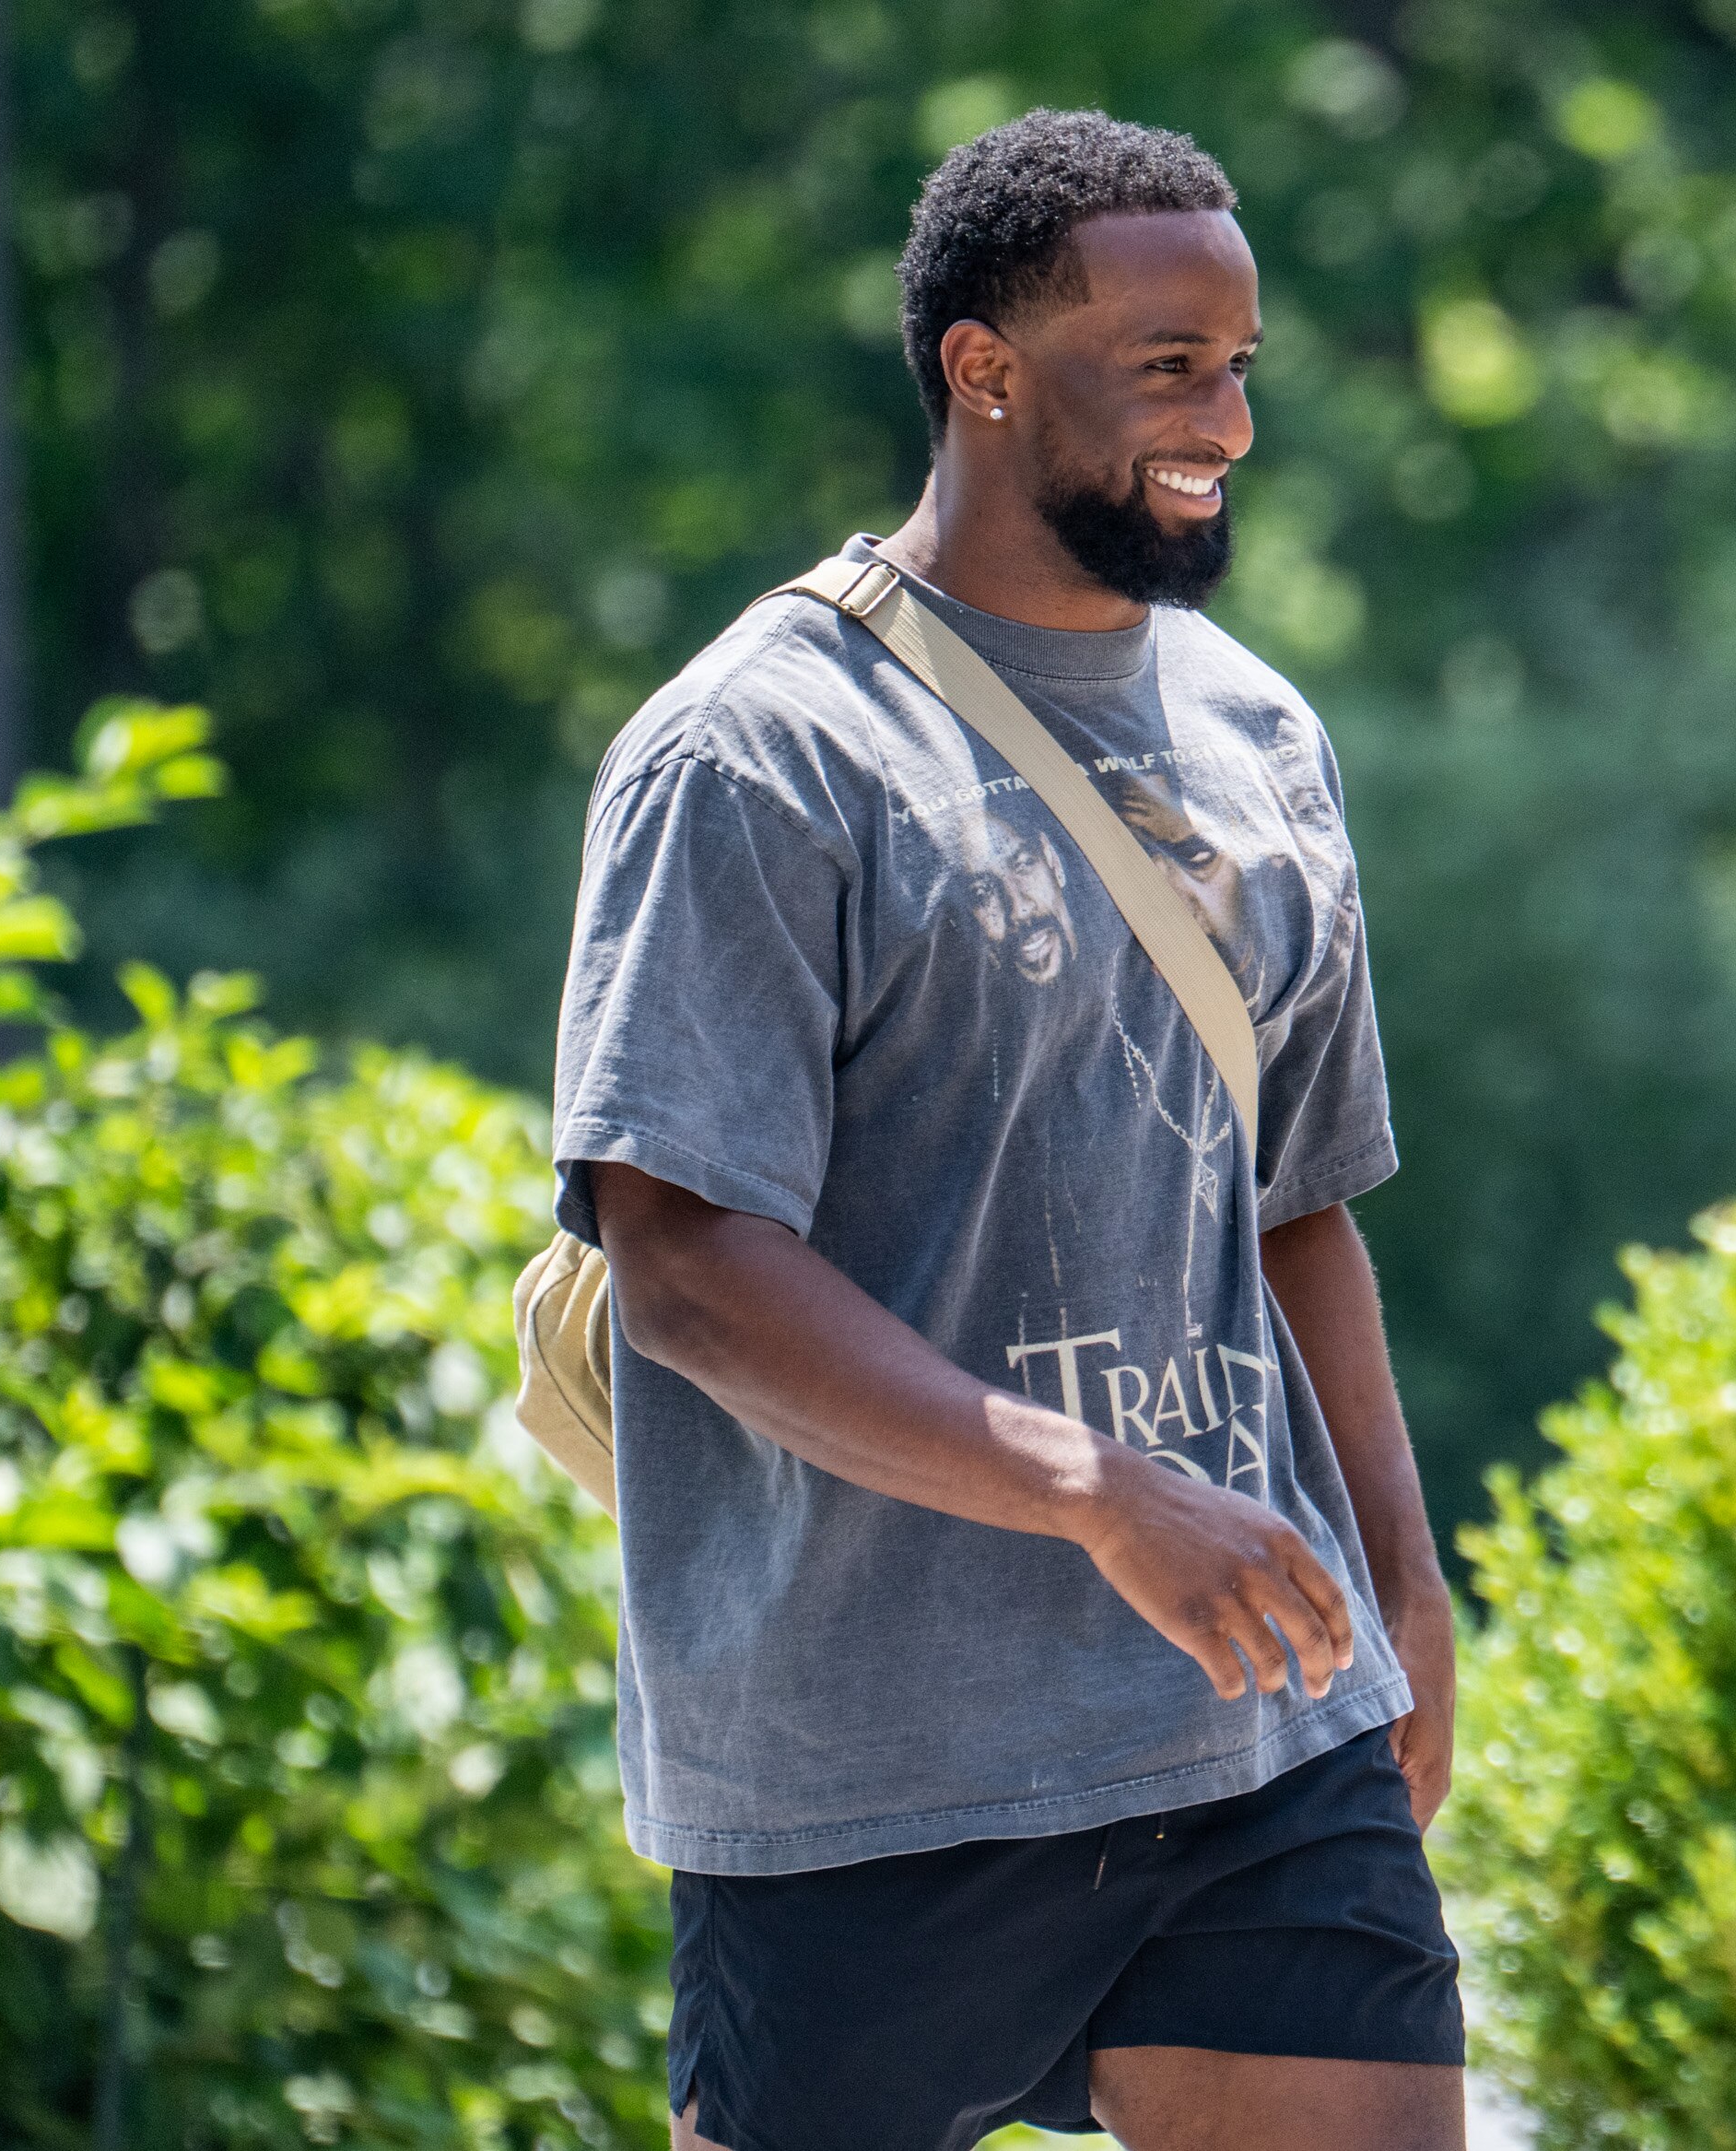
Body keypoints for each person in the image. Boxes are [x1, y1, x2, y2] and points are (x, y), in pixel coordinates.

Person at [550, 108, 1463, 2151]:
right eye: (1169, 368)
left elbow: (1300, 1205)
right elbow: (685, 1265)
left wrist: (1403, 1582)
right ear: (982, 367)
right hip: (873, 1761)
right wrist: (1092, 1491)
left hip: (1254, 1729)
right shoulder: (757, 751)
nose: (1226, 417)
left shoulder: (1261, 736)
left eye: (1241, 366)